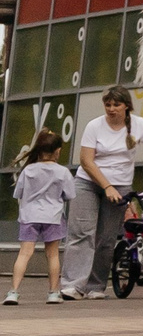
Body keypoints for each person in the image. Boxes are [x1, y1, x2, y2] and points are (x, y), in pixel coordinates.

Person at [64, 87, 143, 300]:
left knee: (106, 238)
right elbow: (86, 160)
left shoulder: (139, 125)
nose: (111, 109)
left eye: (116, 105)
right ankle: (73, 285)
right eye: (108, 105)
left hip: (119, 186)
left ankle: (95, 286)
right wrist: (106, 186)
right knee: (82, 234)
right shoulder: (94, 126)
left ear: (127, 106)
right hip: (89, 183)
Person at [7, 131, 72, 305]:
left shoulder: (28, 170)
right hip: (53, 216)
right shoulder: (62, 172)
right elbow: (70, 194)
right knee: (52, 255)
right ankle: (52, 293)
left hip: (29, 215)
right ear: (58, 151)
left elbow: (18, 193)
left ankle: (13, 292)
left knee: (24, 253)